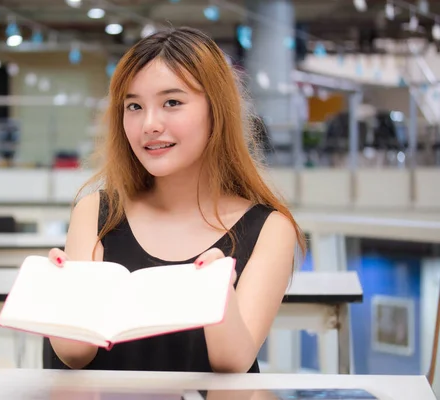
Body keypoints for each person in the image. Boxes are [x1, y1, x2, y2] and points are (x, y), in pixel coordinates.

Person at [43, 26, 306, 374]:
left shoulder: (270, 228)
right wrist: (65, 297)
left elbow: (233, 362)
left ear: (217, 111)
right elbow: (75, 354)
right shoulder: (95, 212)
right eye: (134, 106)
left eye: (172, 102)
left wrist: (218, 292)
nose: (149, 124)